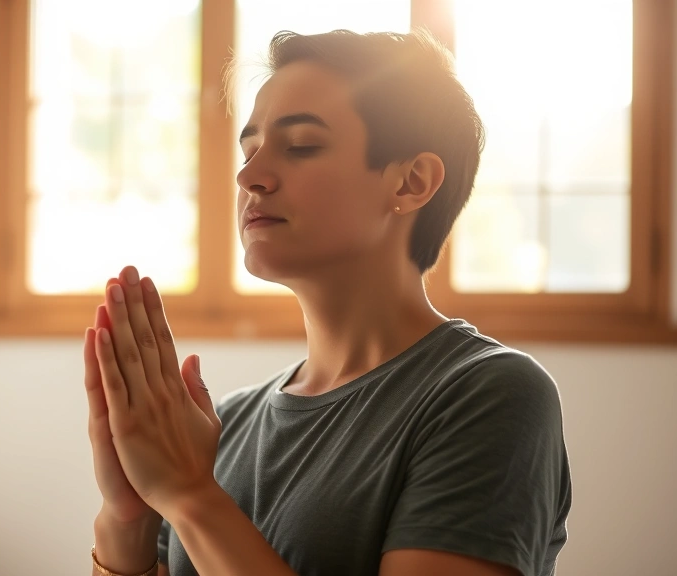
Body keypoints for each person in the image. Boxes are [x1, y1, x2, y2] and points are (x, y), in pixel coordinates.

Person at [82, 28, 572, 576]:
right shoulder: (221, 426)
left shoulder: (489, 394)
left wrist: (191, 496)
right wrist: (127, 518)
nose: (249, 176)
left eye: (301, 146)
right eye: (248, 151)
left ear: (412, 181)